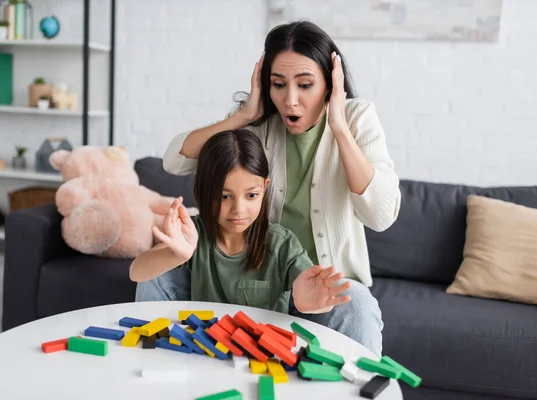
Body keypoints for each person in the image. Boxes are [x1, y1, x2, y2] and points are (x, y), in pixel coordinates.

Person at [153, 21, 402, 357]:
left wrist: (340, 128)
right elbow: (174, 161)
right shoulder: (259, 126)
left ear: (331, 83)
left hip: (322, 291)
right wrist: (243, 115)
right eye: (278, 85)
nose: (290, 101)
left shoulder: (357, 118)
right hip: (261, 286)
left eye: (305, 85)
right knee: (157, 274)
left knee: (356, 302)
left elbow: (381, 215)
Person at [131, 129, 352, 319]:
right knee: (156, 270)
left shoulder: (281, 243)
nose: (238, 209)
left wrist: (311, 302)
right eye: (225, 196)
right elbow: (137, 273)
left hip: (262, 357)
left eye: (251, 195)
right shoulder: (193, 233)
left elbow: (310, 290)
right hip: (204, 351)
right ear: (204, 191)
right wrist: (178, 255)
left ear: (265, 188)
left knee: (354, 304)